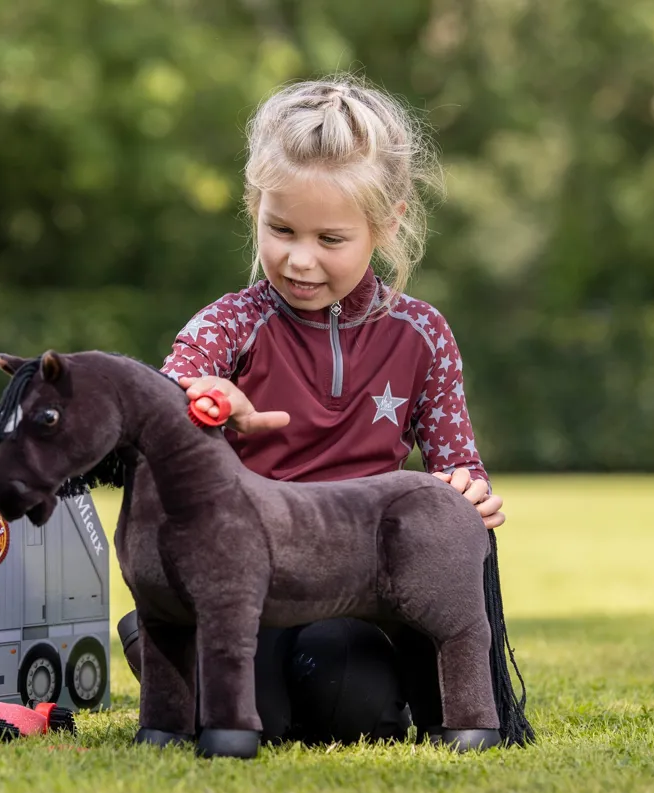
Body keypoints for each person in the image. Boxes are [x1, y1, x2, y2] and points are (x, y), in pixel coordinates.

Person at [117, 74, 505, 745]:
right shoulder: (228, 324)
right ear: (254, 208)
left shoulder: (424, 335)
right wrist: (206, 402)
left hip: (358, 587)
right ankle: (164, 640)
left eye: (330, 239)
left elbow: (458, 467)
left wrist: (469, 491)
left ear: (388, 224)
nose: (299, 260)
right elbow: (153, 413)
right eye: (280, 229)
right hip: (244, 583)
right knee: (247, 712)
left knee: (347, 701)